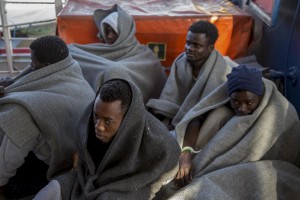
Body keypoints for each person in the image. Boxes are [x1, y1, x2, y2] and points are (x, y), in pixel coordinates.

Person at [158, 65, 300, 199]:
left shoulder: (280, 113)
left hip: (255, 167)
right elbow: (197, 118)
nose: (242, 108)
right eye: (236, 102)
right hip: (204, 161)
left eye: (249, 102)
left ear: (260, 96)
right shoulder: (227, 101)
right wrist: (186, 153)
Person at [33, 79, 181, 200]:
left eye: (108, 121)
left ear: (127, 121)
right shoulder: (87, 126)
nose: (99, 126)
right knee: (54, 188)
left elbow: (168, 169)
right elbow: (84, 164)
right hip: (88, 180)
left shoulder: (160, 143)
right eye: (96, 116)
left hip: (129, 189)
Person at [0, 35, 95, 199]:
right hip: (80, 165)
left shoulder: (26, 111)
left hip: (48, 175)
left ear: (47, 67)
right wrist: (12, 85)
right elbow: (29, 76)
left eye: (33, 62)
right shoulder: (71, 70)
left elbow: (4, 166)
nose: (30, 66)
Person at [146, 20, 235, 130]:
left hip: (203, 115)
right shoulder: (180, 62)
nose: (189, 48)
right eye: (188, 43)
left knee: (194, 124)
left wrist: (182, 120)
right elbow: (171, 95)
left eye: (197, 45)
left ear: (210, 48)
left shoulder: (222, 71)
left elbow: (211, 105)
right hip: (179, 110)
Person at [67, 4, 167, 103]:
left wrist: (113, 71)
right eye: (107, 31)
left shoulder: (145, 55)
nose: (109, 36)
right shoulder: (101, 49)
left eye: (114, 31)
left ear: (125, 32)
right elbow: (72, 50)